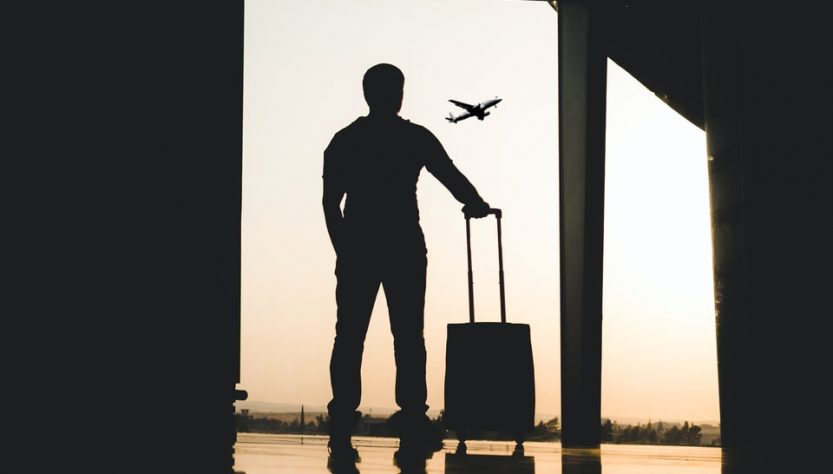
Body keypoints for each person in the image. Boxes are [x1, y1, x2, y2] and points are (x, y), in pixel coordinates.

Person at [322, 63, 491, 461]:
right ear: (399, 94)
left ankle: (342, 421)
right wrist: (476, 202)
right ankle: (413, 417)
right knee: (409, 337)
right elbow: (447, 174)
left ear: (366, 95)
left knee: (349, 337)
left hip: (359, 246)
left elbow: (331, 203)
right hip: (403, 246)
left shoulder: (346, 140)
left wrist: (343, 249)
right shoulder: (413, 137)